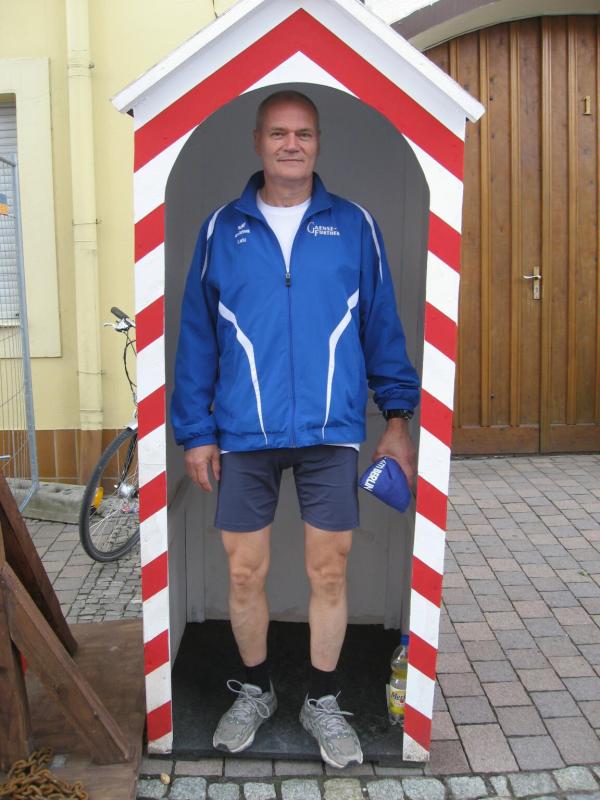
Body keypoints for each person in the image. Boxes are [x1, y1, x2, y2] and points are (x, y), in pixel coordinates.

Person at [171, 90, 420, 769]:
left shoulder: (355, 225)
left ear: (317, 143)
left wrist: (398, 419)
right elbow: (197, 335)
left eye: (303, 134)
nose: (290, 144)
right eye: (278, 133)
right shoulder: (221, 229)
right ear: (257, 141)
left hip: (330, 432)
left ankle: (322, 701)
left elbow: (382, 326)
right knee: (244, 571)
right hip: (242, 432)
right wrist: (196, 430)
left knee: (329, 569)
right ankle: (255, 690)